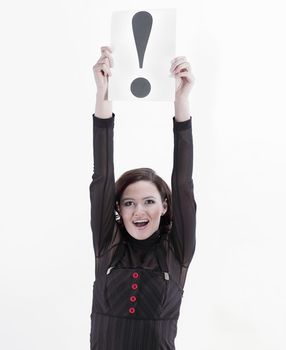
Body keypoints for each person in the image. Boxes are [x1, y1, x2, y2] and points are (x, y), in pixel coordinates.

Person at [89, 46, 197, 350]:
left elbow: (183, 182)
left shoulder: (178, 251)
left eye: (149, 201)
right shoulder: (107, 245)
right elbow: (102, 176)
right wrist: (103, 93)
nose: (139, 210)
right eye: (129, 202)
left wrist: (182, 101)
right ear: (118, 210)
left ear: (165, 206)